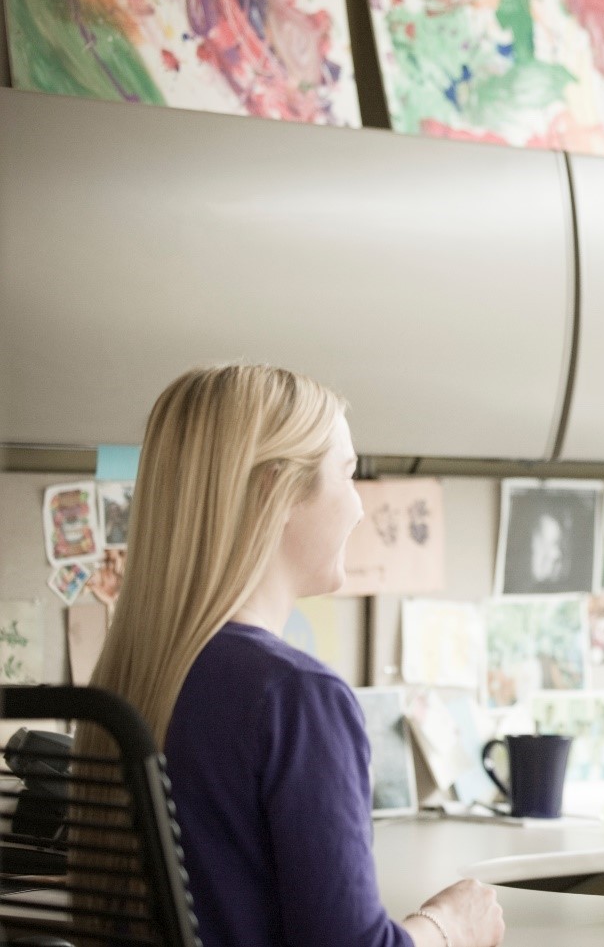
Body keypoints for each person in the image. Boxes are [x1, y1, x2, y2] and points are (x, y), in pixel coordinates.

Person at [75, 364, 505, 947]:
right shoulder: (295, 698)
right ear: (272, 491)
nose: (359, 508)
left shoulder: (125, 679)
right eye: (348, 476)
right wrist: (448, 928)